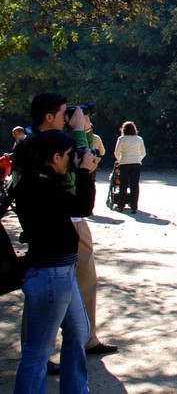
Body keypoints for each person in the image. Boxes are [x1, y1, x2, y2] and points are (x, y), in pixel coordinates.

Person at [30, 93, 118, 363]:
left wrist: (85, 129)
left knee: (86, 280)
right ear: (49, 117)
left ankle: (86, 338)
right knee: (45, 292)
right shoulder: (39, 143)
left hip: (74, 223)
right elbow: (81, 164)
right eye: (61, 112)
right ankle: (38, 353)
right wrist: (79, 131)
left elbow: (87, 157)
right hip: (60, 223)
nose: (65, 117)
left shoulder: (60, 139)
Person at [11, 128, 98, 393]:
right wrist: (84, 173)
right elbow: (81, 207)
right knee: (37, 352)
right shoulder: (39, 183)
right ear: (56, 156)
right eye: (69, 156)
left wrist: (81, 171)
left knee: (78, 332)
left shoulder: (40, 178)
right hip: (50, 273)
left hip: (61, 270)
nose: (72, 161)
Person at [113, 121, 146, 213]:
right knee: (134, 185)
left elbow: (117, 152)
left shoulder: (122, 138)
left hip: (124, 163)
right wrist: (139, 159)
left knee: (123, 184)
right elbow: (143, 152)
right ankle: (134, 207)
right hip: (136, 163)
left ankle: (120, 206)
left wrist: (119, 160)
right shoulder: (139, 139)